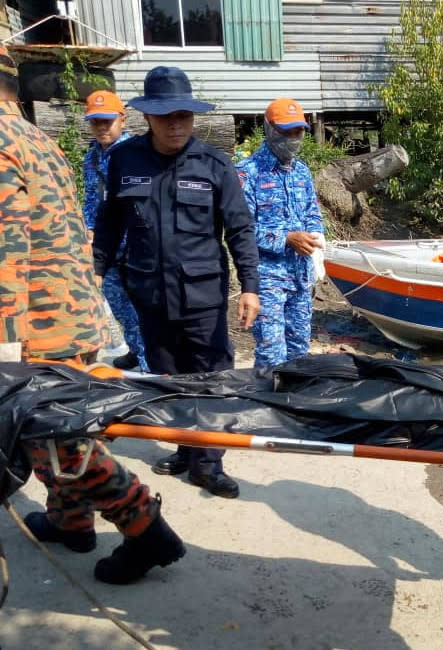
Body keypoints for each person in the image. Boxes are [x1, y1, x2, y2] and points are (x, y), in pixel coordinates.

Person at [0, 46, 184, 584]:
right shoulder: (38, 139)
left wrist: (4, 347)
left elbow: (6, 249)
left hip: (39, 326)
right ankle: (70, 522)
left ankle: (145, 527)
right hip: (70, 314)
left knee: (60, 441)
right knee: (57, 429)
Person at [93, 67, 260, 499]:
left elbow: (240, 229)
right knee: (170, 377)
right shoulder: (126, 160)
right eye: (166, 116)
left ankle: (209, 464)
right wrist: (93, 271)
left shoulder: (214, 164)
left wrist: (251, 287)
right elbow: (110, 223)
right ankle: (187, 450)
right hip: (150, 294)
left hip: (202, 296)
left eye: (184, 115)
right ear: (147, 117)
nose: (176, 124)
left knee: (209, 378)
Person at [236, 97, 324, 368]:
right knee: (272, 355)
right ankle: (269, 405)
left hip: (300, 276)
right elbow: (242, 230)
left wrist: (317, 238)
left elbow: (312, 213)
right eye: (287, 131)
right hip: (267, 280)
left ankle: (296, 406)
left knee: (299, 351)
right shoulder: (247, 173)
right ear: (270, 129)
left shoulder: (302, 172)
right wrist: (286, 238)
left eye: (298, 131)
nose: (294, 138)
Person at [82, 90, 148, 372]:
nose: (101, 127)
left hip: (135, 247)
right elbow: (91, 199)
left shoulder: (137, 154)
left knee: (142, 308)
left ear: (122, 119)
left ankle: (149, 363)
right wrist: (88, 229)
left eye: (107, 121)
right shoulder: (92, 158)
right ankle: (135, 350)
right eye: (95, 121)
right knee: (118, 305)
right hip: (105, 248)